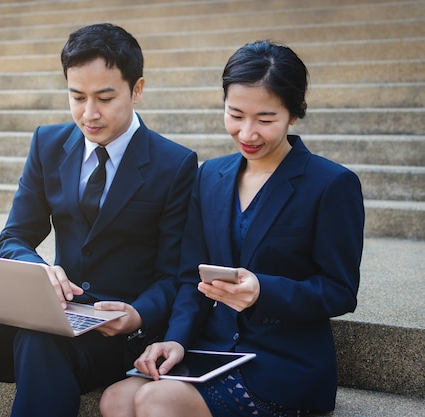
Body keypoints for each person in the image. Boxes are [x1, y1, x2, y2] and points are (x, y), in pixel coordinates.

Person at [0, 23, 197, 417]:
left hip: (115, 334)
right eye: (77, 96)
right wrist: (37, 271)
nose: (89, 113)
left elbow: (174, 275)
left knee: (39, 341)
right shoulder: (48, 143)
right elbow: (14, 236)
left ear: (138, 89)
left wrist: (137, 315)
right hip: (50, 315)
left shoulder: (175, 164)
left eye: (104, 98)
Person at [99, 40, 365, 417]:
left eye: (266, 119)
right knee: (115, 398)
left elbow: (340, 292)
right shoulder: (210, 176)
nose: (247, 133)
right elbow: (191, 277)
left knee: (156, 401)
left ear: (294, 114)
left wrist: (263, 291)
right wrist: (175, 341)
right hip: (211, 350)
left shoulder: (331, 184)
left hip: (283, 364)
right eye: (235, 114)